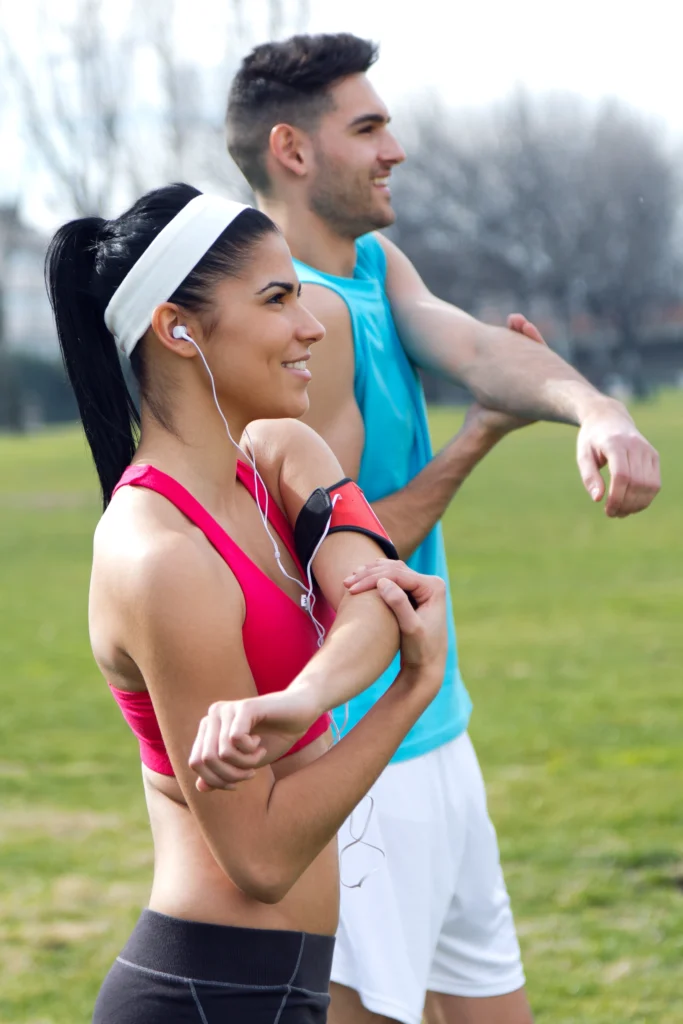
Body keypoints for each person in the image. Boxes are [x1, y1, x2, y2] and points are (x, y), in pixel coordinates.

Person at [218, 33, 661, 1024]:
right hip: (360, 750)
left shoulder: (370, 263)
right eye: (368, 127)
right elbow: (347, 563)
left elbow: (469, 345)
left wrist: (597, 411)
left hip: (434, 728)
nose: (395, 149)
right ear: (291, 150)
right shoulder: (303, 325)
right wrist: (476, 442)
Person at [45, 181, 452, 1024]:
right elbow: (259, 858)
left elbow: (373, 597)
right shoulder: (158, 557)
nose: (311, 327)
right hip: (209, 993)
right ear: (176, 328)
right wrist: (405, 696)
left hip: (280, 986)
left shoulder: (278, 453)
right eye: (277, 300)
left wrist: (299, 699)